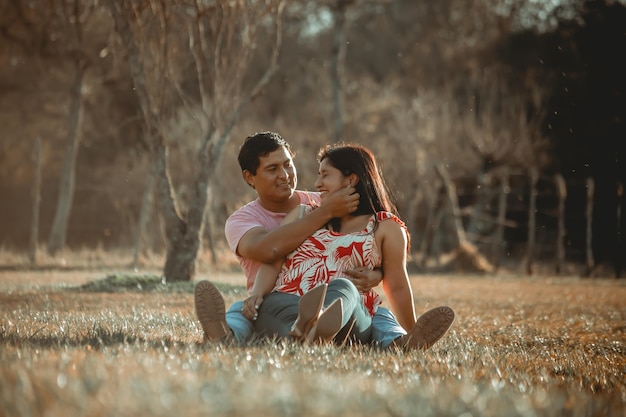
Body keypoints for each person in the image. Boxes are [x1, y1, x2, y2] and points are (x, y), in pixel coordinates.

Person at [194, 132, 454, 348]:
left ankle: (403, 341)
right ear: (250, 177)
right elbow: (270, 253)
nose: (316, 183)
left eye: (287, 164)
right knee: (244, 310)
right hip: (275, 299)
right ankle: (227, 336)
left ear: (351, 179)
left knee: (367, 306)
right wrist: (258, 295)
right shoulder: (275, 215)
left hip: (345, 309)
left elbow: (396, 282)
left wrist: (379, 274)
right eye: (272, 169)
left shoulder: (379, 225)